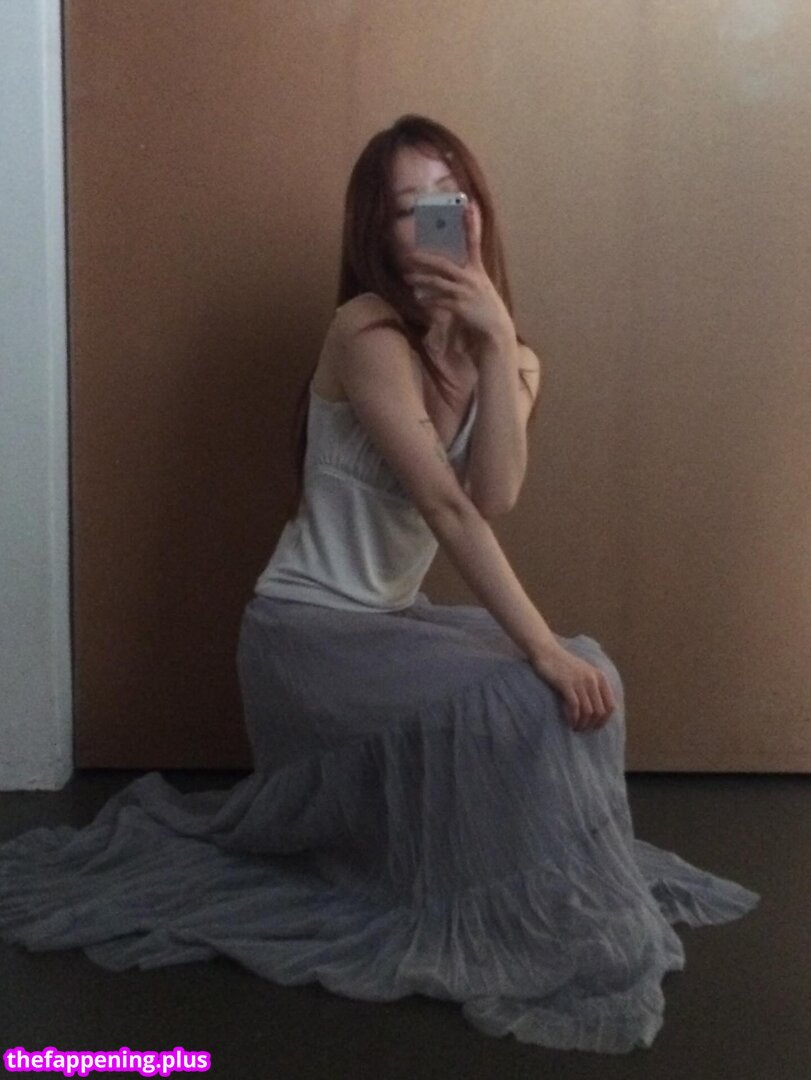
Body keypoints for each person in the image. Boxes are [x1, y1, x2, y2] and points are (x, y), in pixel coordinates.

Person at [0, 114, 759, 1055]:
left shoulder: (514, 357)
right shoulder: (364, 331)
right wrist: (538, 647)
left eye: (453, 197)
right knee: (536, 683)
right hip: (305, 639)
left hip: (389, 626)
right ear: (377, 232)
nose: (439, 219)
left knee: (583, 673)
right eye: (410, 209)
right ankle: (478, 897)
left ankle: (496, 879)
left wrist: (494, 347)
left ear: (478, 211)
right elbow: (446, 508)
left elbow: (494, 494)